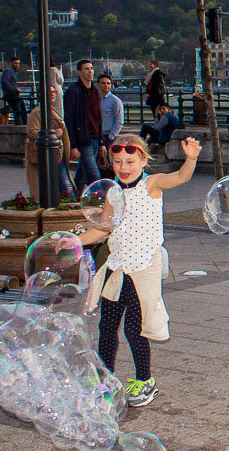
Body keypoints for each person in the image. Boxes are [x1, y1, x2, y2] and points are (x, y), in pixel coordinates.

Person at [79, 134, 203, 408]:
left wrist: (191, 158)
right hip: (118, 267)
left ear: (143, 161)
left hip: (143, 269)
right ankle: (106, 379)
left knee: (136, 329)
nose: (124, 167)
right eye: (118, 161)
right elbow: (102, 228)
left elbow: (181, 177)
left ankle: (145, 381)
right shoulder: (113, 193)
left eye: (130, 161)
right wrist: (73, 241)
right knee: (107, 327)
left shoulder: (151, 184)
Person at [26, 84, 73, 202]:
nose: (52, 94)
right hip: (47, 155)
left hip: (56, 153)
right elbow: (31, 132)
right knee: (65, 186)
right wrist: (52, 134)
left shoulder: (50, 110)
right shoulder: (37, 112)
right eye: (49, 92)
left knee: (61, 184)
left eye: (54, 92)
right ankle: (70, 208)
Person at [63, 59, 103, 191]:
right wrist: (73, 145)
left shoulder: (95, 91)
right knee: (94, 175)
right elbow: (68, 119)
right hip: (83, 139)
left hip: (95, 137)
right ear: (79, 72)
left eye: (91, 68)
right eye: (86, 69)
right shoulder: (73, 92)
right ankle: (101, 203)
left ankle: (75, 197)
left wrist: (102, 142)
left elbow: (99, 116)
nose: (90, 71)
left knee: (81, 174)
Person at [98, 73, 125, 178]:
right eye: (103, 83)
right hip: (96, 135)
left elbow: (119, 121)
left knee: (109, 164)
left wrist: (111, 136)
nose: (106, 85)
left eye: (108, 83)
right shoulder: (96, 99)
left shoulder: (115, 101)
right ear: (98, 84)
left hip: (108, 135)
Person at [1, 56, 26, 126]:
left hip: (10, 94)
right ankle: (22, 125)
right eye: (15, 63)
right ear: (11, 63)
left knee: (18, 110)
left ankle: (21, 124)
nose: (17, 65)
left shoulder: (11, 72)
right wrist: (14, 89)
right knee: (20, 110)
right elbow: (4, 81)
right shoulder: (9, 71)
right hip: (11, 95)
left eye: (18, 63)